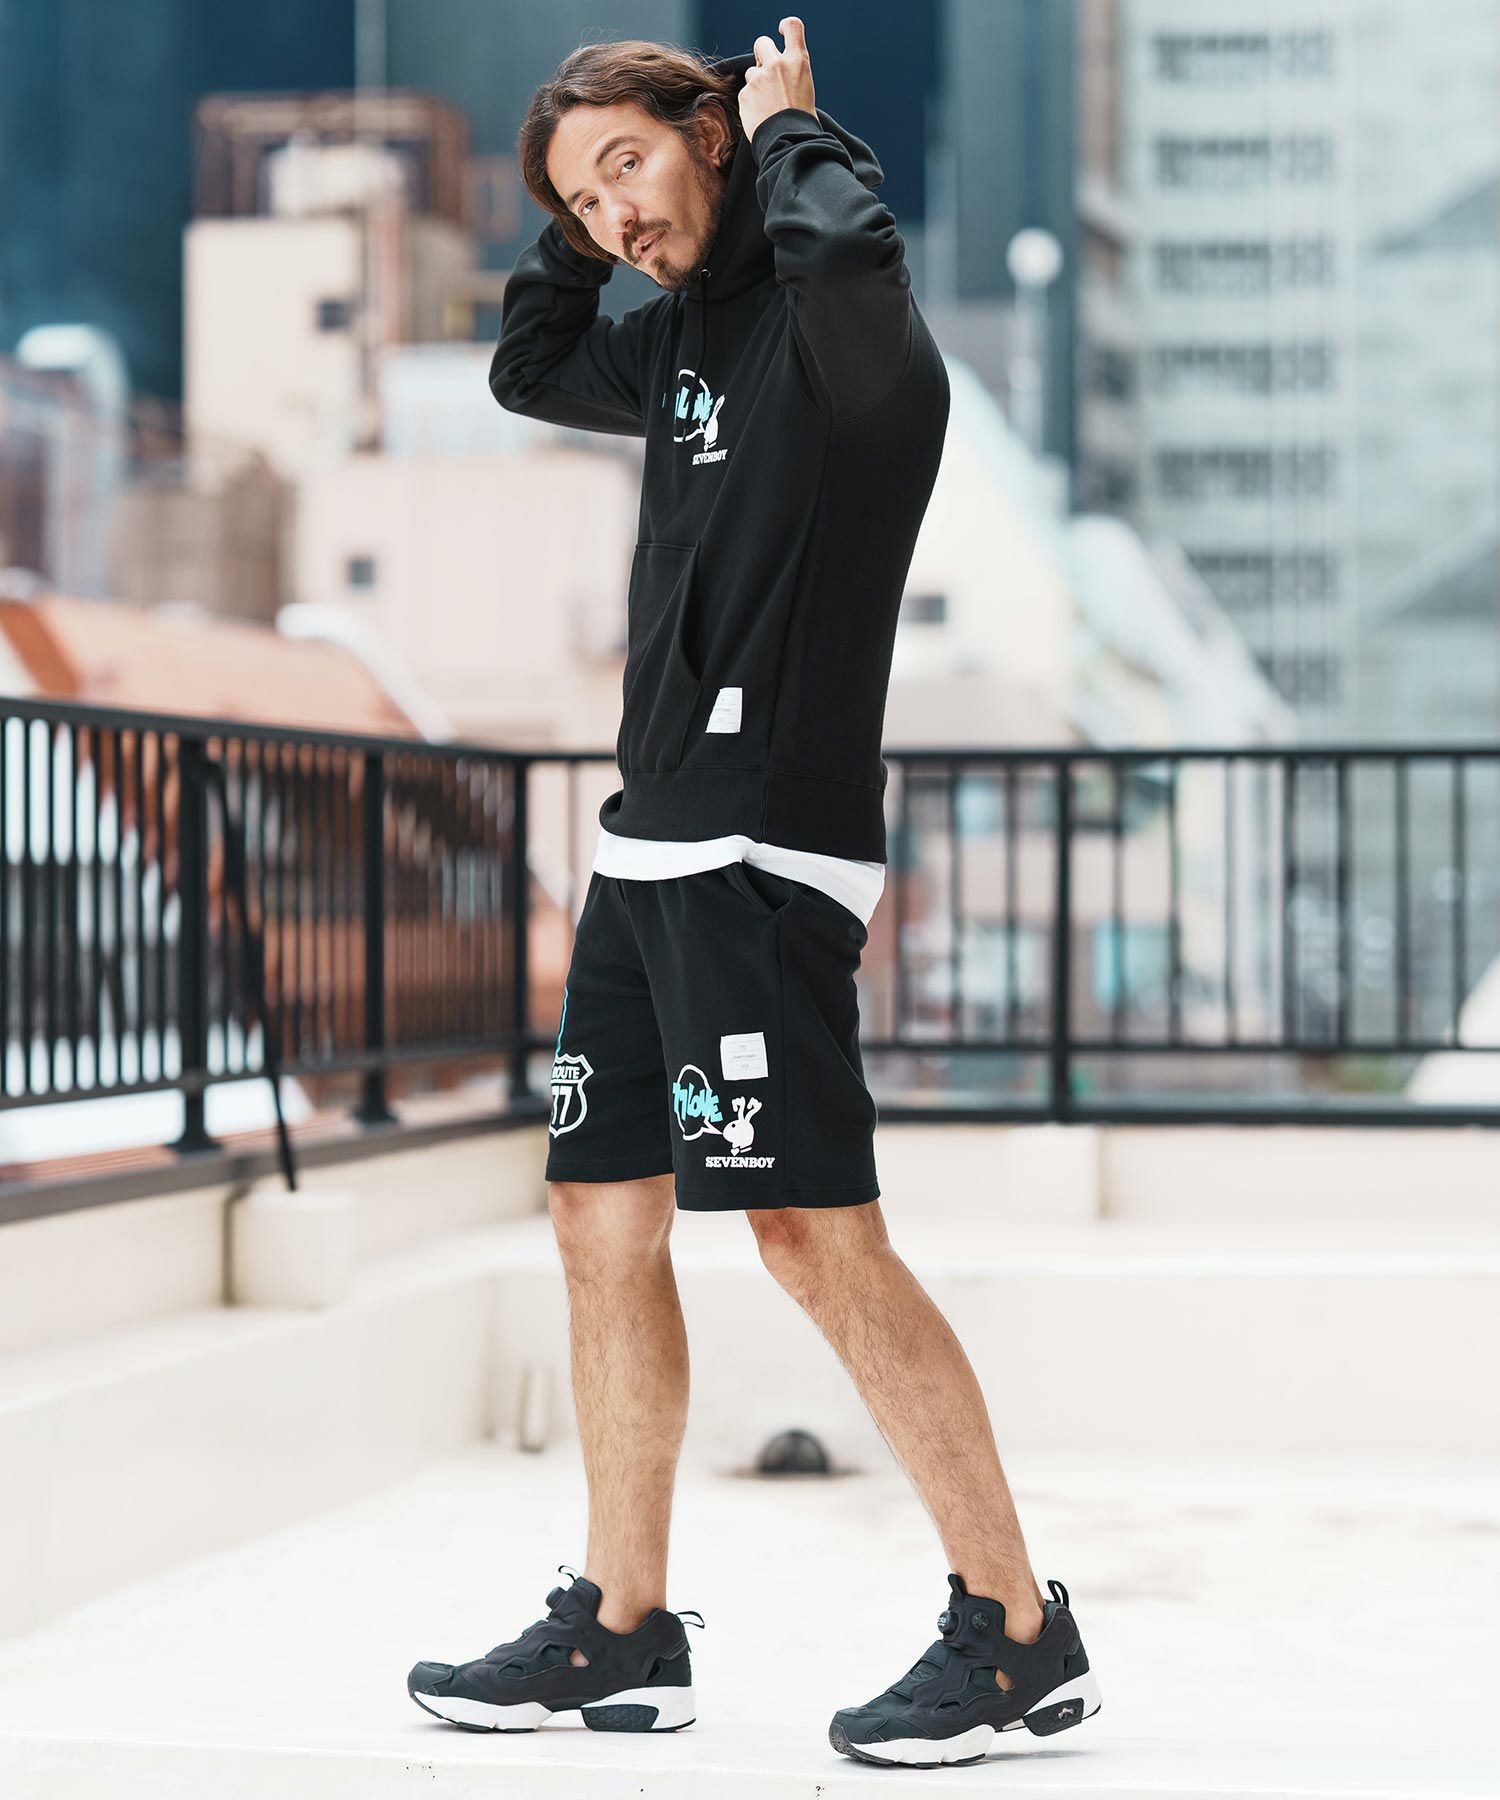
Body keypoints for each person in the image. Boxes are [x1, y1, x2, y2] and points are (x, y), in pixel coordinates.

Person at [406, 20, 1101, 1768]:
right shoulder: (678, 349)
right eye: (581, 199)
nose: (611, 217)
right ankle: (621, 1627)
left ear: (716, 135)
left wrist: (791, 131)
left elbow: (849, 262)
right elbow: (529, 366)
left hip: (766, 851)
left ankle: (1018, 1633)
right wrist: (586, 210)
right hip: (645, 845)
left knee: (808, 1234)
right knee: (598, 1223)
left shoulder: (858, 350)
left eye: (629, 167)